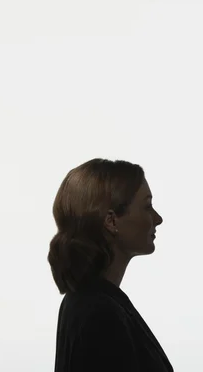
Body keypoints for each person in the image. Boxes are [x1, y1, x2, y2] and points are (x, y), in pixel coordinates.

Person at [48, 158, 173, 372]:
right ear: (112, 221)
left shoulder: (86, 302)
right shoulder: (100, 313)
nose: (158, 218)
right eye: (147, 206)